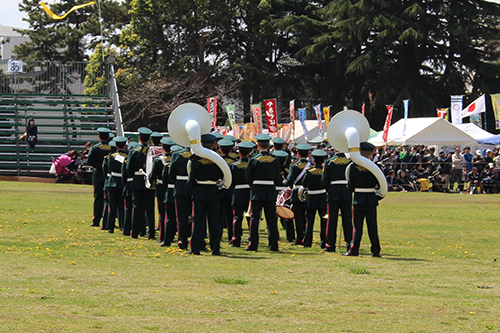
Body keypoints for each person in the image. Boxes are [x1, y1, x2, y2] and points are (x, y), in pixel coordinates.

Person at [345, 142, 384, 257]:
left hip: (358, 198)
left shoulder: (353, 167)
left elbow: (351, 185)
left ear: (360, 152)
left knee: (357, 227)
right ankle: (375, 251)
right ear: (372, 153)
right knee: (372, 227)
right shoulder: (376, 166)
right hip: (371, 198)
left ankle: (354, 250)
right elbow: (380, 183)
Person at [188, 134, 224, 255]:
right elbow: (222, 175)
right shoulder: (218, 159)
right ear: (213, 145)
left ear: (201, 144)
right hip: (213, 191)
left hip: (199, 191)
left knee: (197, 221)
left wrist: (195, 188)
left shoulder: (196, 160)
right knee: (214, 222)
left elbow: (191, 179)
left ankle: (195, 248)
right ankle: (215, 248)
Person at [245, 134, 281, 252]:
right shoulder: (275, 159)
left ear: (258, 145)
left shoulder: (253, 159)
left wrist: (254, 185)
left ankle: (253, 244)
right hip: (270, 190)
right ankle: (274, 245)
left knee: (255, 218)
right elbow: (277, 176)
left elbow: (248, 176)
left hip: (257, 190)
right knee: (271, 219)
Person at [126, 127, 156, 239]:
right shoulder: (153, 151)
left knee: (136, 208)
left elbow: (129, 169)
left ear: (139, 138)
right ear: (149, 139)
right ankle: (151, 233)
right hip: (150, 181)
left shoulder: (134, 151)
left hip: (137, 181)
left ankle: (134, 232)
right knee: (150, 208)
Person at [322, 149, 352, 252]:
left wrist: (328, 190)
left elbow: (325, 180)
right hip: (347, 192)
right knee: (347, 220)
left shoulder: (329, 162)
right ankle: (349, 244)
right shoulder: (350, 161)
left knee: (331, 220)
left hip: (333, 192)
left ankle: (331, 244)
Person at [149, 137, 175, 244]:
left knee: (162, 213)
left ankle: (163, 236)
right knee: (172, 213)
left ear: (162, 148)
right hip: (172, 187)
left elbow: (152, 175)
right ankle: (172, 234)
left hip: (161, 187)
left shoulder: (158, 160)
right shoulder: (175, 158)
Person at [285, 144, 311, 245]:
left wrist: (286, 182)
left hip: (297, 193)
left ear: (298, 154)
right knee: (308, 216)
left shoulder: (294, 166)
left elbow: (289, 181)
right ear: (308, 154)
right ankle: (307, 237)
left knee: (299, 217)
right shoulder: (312, 166)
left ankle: (300, 238)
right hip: (309, 193)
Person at [168, 144, 193, 250]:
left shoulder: (177, 154)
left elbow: (171, 172)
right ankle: (196, 240)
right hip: (193, 187)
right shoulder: (198, 154)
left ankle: (183, 241)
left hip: (181, 187)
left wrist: (178, 183)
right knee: (195, 216)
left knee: (181, 217)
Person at [302, 149, 328, 248]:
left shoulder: (309, 171)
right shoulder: (325, 171)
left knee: (309, 221)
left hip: (311, 198)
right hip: (322, 197)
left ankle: (307, 243)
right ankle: (324, 242)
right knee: (324, 221)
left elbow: (304, 184)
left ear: (313, 160)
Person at [230, 141, 253, 247]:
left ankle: (236, 239)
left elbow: (231, 181)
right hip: (250, 192)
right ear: (250, 152)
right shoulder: (253, 164)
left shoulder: (234, 166)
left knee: (237, 217)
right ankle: (252, 238)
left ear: (239, 153)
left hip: (238, 193)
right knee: (251, 218)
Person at [87, 127, 112, 227]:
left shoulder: (95, 148)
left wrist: (100, 166)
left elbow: (89, 160)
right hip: (109, 175)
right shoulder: (112, 148)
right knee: (109, 199)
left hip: (98, 175)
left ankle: (96, 220)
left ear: (99, 137)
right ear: (108, 137)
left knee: (98, 198)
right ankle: (108, 220)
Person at [104, 136, 128, 233]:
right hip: (122, 181)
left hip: (112, 181)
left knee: (111, 205)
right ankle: (122, 226)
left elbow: (107, 169)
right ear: (125, 145)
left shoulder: (111, 156)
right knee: (121, 206)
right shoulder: (128, 156)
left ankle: (110, 227)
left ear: (116, 145)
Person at [218, 138, 238, 243]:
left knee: (219, 215)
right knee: (230, 215)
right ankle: (231, 236)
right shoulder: (234, 162)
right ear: (230, 150)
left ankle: (219, 235)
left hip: (219, 190)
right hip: (230, 190)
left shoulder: (217, 161)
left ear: (220, 150)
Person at [273, 149, 295, 242]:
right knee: (287, 214)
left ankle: (275, 235)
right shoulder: (287, 169)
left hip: (274, 190)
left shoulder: (272, 167)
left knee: (273, 216)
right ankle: (290, 236)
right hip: (285, 191)